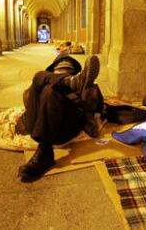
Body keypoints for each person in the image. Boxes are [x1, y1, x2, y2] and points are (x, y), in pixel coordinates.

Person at [17, 53, 103, 182]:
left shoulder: (85, 87)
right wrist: (57, 85)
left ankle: (45, 152)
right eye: (59, 70)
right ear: (52, 72)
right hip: (36, 126)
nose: (63, 70)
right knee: (40, 80)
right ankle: (66, 82)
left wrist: (74, 96)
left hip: (64, 127)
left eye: (67, 70)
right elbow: (29, 103)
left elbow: (96, 107)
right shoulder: (39, 85)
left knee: (49, 90)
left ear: (74, 72)